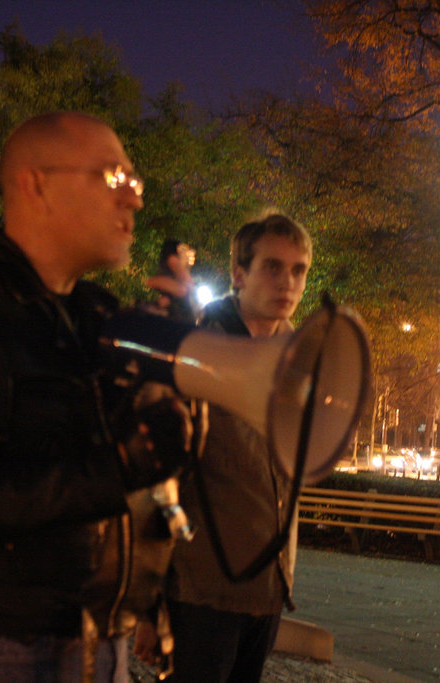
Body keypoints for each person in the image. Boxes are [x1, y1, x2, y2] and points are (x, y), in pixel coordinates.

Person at [0, 112, 191, 682]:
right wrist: (118, 465)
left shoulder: (91, 315)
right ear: (36, 183)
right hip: (1, 657)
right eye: (114, 178)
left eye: (135, 183)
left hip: (100, 649)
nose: (135, 201)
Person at [165, 212, 312, 682]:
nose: (287, 282)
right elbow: (160, 478)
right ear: (239, 274)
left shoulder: (299, 360)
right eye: (272, 267)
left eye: (298, 270)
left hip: (268, 588)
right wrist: (151, 605)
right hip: (202, 589)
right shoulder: (200, 348)